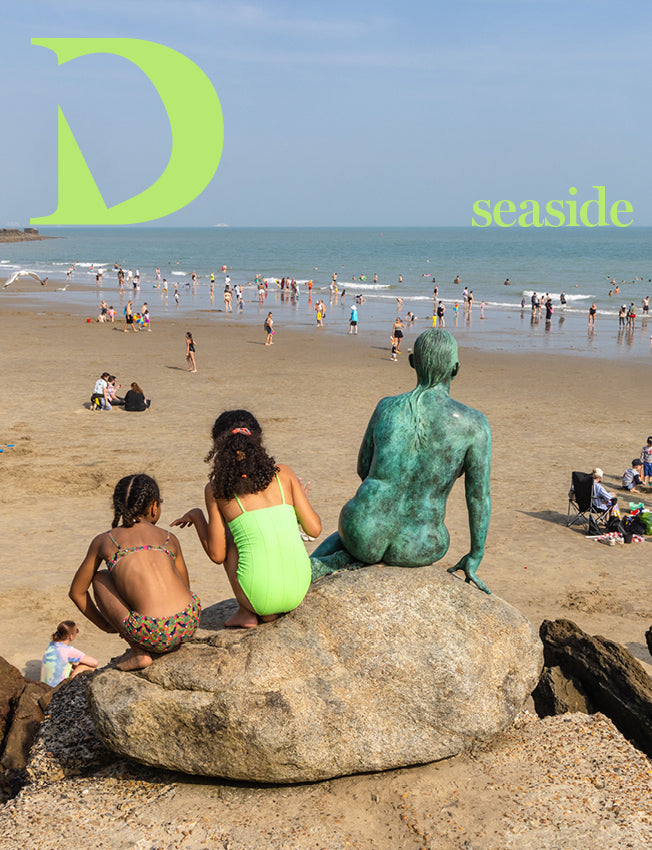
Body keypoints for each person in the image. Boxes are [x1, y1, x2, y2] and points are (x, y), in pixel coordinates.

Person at [310, 329, 492, 593]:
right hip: (420, 543)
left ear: (412, 363)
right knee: (440, 539)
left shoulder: (386, 407)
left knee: (347, 534)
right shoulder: (475, 425)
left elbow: (363, 467)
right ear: (455, 369)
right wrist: (476, 554)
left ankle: (313, 565)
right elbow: (478, 497)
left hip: (362, 527)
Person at [172, 410, 321, 628]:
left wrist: (197, 516)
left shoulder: (216, 490)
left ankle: (246, 611)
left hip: (259, 597)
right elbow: (314, 530)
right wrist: (295, 509)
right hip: (298, 591)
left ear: (219, 447)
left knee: (230, 535)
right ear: (257, 439)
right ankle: (267, 609)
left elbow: (217, 554)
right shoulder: (285, 474)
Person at [69, 474, 200, 671]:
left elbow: (77, 592)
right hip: (189, 620)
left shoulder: (105, 541)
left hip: (151, 633)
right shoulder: (168, 538)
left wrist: (107, 624)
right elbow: (185, 586)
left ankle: (138, 653)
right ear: (154, 506)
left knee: (99, 578)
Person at [40, 621, 98, 687]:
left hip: (44, 685)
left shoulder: (52, 644)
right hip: (56, 688)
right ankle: (70, 683)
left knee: (74, 662)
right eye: (76, 631)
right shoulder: (69, 651)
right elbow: (95, 663)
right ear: (71, 636)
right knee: (88, 667)